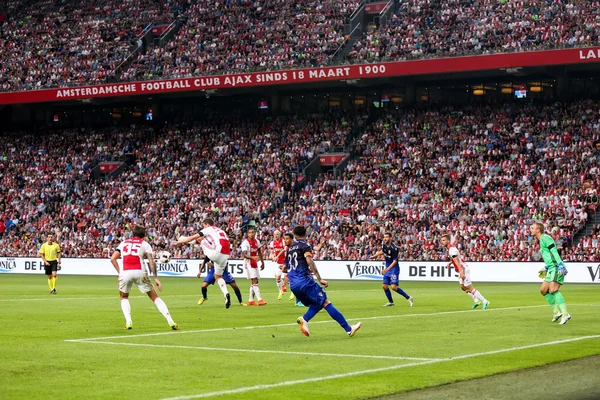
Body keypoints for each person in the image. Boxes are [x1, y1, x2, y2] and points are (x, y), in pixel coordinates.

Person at [284, 226, 362, 337]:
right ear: (306, 234)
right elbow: (310, 261)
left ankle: (305, 319)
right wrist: (319, 278)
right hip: (304, 282)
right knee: (325, 302)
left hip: (293, 285)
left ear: (294, 235)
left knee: (318, 303)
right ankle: (348, 329)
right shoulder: (304, 246)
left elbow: (284, 268)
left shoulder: (290, 249)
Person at [110, 225, 179, 330]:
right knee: (155, 297)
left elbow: (112, 259)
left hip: (125, 272)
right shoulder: (145, 244)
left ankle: (128, 322)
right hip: (140, 271)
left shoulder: (123, 243)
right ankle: (171, 321)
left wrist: (120, 272)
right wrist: (156, 278)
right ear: (144, 235)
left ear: (132, 234)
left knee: (124, 297)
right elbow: (151, 261)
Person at [172, 218, 233, 308]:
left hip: (216, 253)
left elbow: (192, 238)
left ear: (207, 224)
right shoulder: (221, 230)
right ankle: (226, 293)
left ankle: (179, 237)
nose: (203, 227)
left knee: (201, 240)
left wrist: (179, 242)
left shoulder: (208, 229)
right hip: (225, 256)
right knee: (218, 276)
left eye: (203, 226)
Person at [531, 222, 571, 324]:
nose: (531, 229)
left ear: (538, 230)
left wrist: (560, 264)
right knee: (544, 290)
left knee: (553, 290)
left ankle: (565, 314)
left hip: (557, 267)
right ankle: (556, 312)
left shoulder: (546, 238)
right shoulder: (541, 240)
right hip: (551, 267)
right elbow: (549, 255)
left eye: (533, 228)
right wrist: (546, 267)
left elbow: (554, 252)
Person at [440, 234, 489, 309]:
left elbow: (457, 262)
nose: (442, 242)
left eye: (444, 240)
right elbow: (455, 259)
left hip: (463, 269)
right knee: (463, 287)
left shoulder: (451, 250)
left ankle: (485, 301)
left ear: (448, 241)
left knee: (469, 288)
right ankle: (476, 301)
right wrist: (450, 263)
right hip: (461, 269)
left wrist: (461, 272)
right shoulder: (450, 249)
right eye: (441, 240)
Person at [369, 232, 413, 307]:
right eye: (384, 237)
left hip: (394, 269)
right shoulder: (384, 245)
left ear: (390, 238)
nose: (384, 238)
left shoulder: (394, 248)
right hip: (388, 268)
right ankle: (391, 302)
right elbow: (383, 251)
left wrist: (387, 269)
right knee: (384, 286)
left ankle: (409, 298)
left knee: (393, 287)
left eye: (386, 237)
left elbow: (395, 261)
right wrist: (374, 256)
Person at [241, 227, 266, 306]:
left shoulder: (257, 241)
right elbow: (244, 254)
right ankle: (260, 299)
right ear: (248, 234)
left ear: (255, 233)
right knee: (254, 280)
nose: (251, 234)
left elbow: (259, 252)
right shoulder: (245, 242)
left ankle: (251, 300)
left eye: (253, 232)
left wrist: (262, 262)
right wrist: (253, 257)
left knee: (255, 281)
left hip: (254, 262)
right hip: (248, 263)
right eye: (250, 233)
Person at [269, 230, 293, 300]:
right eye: (274, 234)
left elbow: (285, 250)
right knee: (277, 278)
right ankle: (281, 291)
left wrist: (277, 256)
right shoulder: (272, 243)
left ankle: (292, 292)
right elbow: (271, 253)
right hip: (278, 263)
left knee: (287, 278)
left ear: (280, 235)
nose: (276, 236)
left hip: (285, 262)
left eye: (277, 234)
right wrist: (273, 257)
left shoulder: (283, 241)